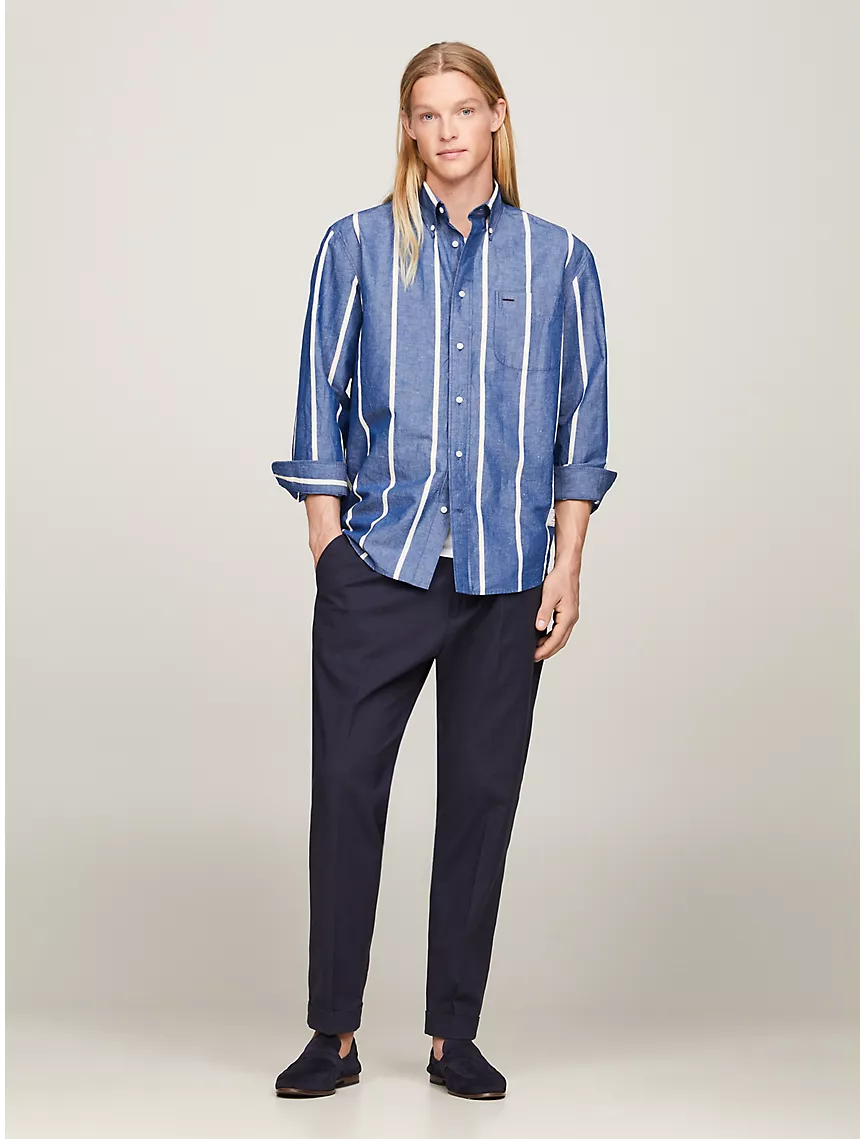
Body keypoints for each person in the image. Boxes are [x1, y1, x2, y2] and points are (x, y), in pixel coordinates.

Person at [271, 40, 617, 1101]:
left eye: (464, 109)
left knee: (479, 800)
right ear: (408, 128)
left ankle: (450, 1034)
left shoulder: (560, 259)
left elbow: (581, 425)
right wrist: (330, 549)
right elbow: (317, 401)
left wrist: (567, 564)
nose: (447, 129)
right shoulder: (356, 247)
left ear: (497, 117)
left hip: (507, 576)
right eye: (427, 113)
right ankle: (333, 1033)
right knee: (346, 793)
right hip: (381, 564)